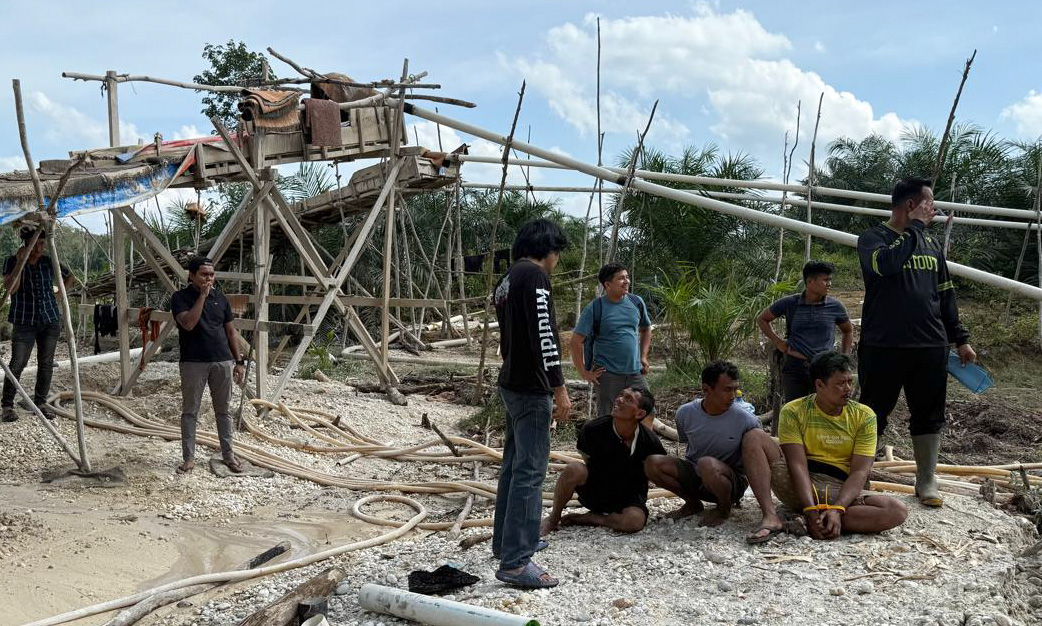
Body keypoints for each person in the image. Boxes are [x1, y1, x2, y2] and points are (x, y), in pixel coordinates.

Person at [857, 177, 975, 508]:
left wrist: (960, 338)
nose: (933, 209)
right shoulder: (872, 239)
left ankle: (926, 480)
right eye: (929, 203)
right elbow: (886, 266)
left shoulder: (931, 246)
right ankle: (858, 476)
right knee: (872, 413)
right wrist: (916, 229)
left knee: (929, 413)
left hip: (930, 346)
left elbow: (945, 294)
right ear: (912, 206)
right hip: (883, 346)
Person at [491, 219, 571, 589]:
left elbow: (508, 342)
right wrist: (559, 389)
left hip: (511, 383)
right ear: (548, 249)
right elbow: (545, 336)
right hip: (530, 388)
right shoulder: (535, 278)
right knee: (530, 471)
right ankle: (516, 561)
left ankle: (506, 543)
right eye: (557, 254)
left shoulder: (507, 279)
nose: (557, 261)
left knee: (513, 467)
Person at [772, 351, 908, 539]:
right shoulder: (794, 411)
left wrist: (838, 508)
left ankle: (810, 516)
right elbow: (797, 465)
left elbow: (860, 471)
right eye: (840, 384)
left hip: (840, 487)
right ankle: (807, 513)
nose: (848, 389)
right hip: (801, 483)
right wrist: (810, 507)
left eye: (849, 382)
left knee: (896, 510)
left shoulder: (864, 416)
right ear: (819, 385)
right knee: (757, 440)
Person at [645, 361, 761, 527]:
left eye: (735, 389)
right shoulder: (685, 413)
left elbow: (755, 458)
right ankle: (692, 504)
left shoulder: (746, 419)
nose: (733, 395)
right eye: (727, 389)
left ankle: (723, 509)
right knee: (653, 463)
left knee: (707, 464)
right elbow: (687, 442)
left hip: (729, 482)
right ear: (706, 389)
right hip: (696, 475)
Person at [540, 385, 664, 536]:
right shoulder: (593, 429)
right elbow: (587, 461)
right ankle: (553, 518)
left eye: (628, 399)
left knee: (634, 521)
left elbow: (655, 472)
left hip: (629, 498)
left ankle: (594, 519)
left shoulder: (649, 441)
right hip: (596, 491)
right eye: (621, 395)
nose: (619, 400)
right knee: (574, 468)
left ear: (640, 413)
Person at [171, 257, 245, 474]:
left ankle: (229, 456)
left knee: (224, 411)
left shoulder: (221, 299)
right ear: (191, 276)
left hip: (221, 361)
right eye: (204, 274)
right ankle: (189, 459)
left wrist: (238, 361)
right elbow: (189, 323)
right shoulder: (180, 298)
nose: (209, 279)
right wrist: (202, 296)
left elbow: (231, 332)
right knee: (190, 412)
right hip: (193, 362)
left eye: (211, 275)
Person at [2, 227, 73, 422]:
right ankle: (7, 405)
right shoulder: (12, 261)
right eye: (36, 244)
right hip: (24, 321)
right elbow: (11, 289)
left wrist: (59, 295)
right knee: (17, 363)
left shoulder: (48, 262)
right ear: (26, 244)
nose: (40, 248)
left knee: (46, 363)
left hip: (49, 319)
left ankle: (40, 402)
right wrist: (19, 262)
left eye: (42, 243)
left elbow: (69, 276)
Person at [758, 260, 853, 402]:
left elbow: (848, 331)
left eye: (830, 280)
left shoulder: (835, 306)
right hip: (795, 367)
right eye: (825, 280)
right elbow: (762, 319)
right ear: (810, 282)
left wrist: (844, 358)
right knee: (795, 410)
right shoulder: (790, 303)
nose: (829, 284)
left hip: (824, 368)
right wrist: (777, 341)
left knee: (824, 409)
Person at [570, 263, 653, 426]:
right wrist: (584, 372)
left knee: (647, 412)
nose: (627, 281)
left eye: (627, 277)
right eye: (621, 278)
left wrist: (643, 356)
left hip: (635, 372)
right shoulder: (596, 307)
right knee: (608, 417)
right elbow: (575, 342)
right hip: (608, 375)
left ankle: (641, 449)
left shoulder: (636, 302)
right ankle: (609, 451)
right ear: (607, 284)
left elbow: (646, 329)